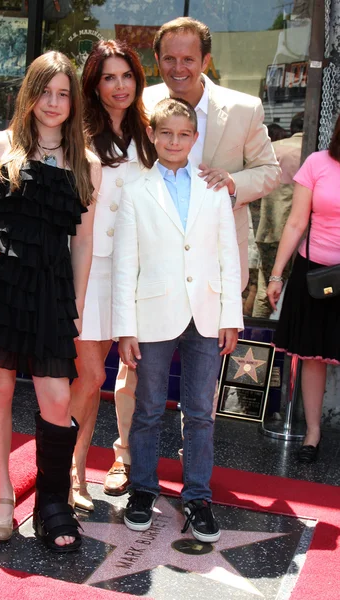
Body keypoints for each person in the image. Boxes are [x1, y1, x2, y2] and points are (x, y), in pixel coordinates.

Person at [105, 16, 281, 492]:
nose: (178, 68)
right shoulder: (140, 103)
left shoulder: (244, 108)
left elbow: (269, 171)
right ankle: (127, 457)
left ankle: (193, 469)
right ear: (157, 60)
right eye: (168, 59)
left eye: (188, 58)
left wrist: (231, 184)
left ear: (206, 60)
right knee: (135, 373)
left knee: (200, 395)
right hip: (153, 270)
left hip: (213, 266)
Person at [0, 51, 101, 552]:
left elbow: (85, 245)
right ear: (28, 93)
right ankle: (3, 496)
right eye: (44, 91)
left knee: (56, 396)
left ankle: (52, 501)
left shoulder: (86, 163)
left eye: (63, 94)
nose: (53, 103)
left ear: (74, 102)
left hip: (51, 293)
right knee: (0, 389)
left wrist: (72, 307)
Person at [112, 98, 243, 542]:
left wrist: (231, 316)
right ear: (151, 135)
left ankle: (198, 497)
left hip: (206, 314)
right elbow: (125, 262)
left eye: (183, 134)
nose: (173, 141)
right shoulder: (136, 190)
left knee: (201, 411)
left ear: (194, 137)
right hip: (153, 314)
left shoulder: (212, 189)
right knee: (148, 408)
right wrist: (124, 327)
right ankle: (144, 489)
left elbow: (228, 254)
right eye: (165, 133)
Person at [68, 40, 156, 510]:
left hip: (141, 272)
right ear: (94, 84)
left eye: (126, 76)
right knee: (87, 376)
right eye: (108, 77)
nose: (119, 86)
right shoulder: (77, 134)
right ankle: (74, 470)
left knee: (132, 372)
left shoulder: (151, 133)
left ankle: (126, 461)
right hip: (93, 268)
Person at [267, 113, 340, 464]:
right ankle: (312, 434)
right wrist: (277, 274)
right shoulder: (317, 163)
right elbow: (296, 221)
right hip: (315, 275)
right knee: (313, 356)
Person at [253, 112, 304, 318]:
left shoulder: (272, 149)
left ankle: (256, 339)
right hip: (297, 235)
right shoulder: (312, 153)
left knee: (265, 287)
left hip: (266, 229)